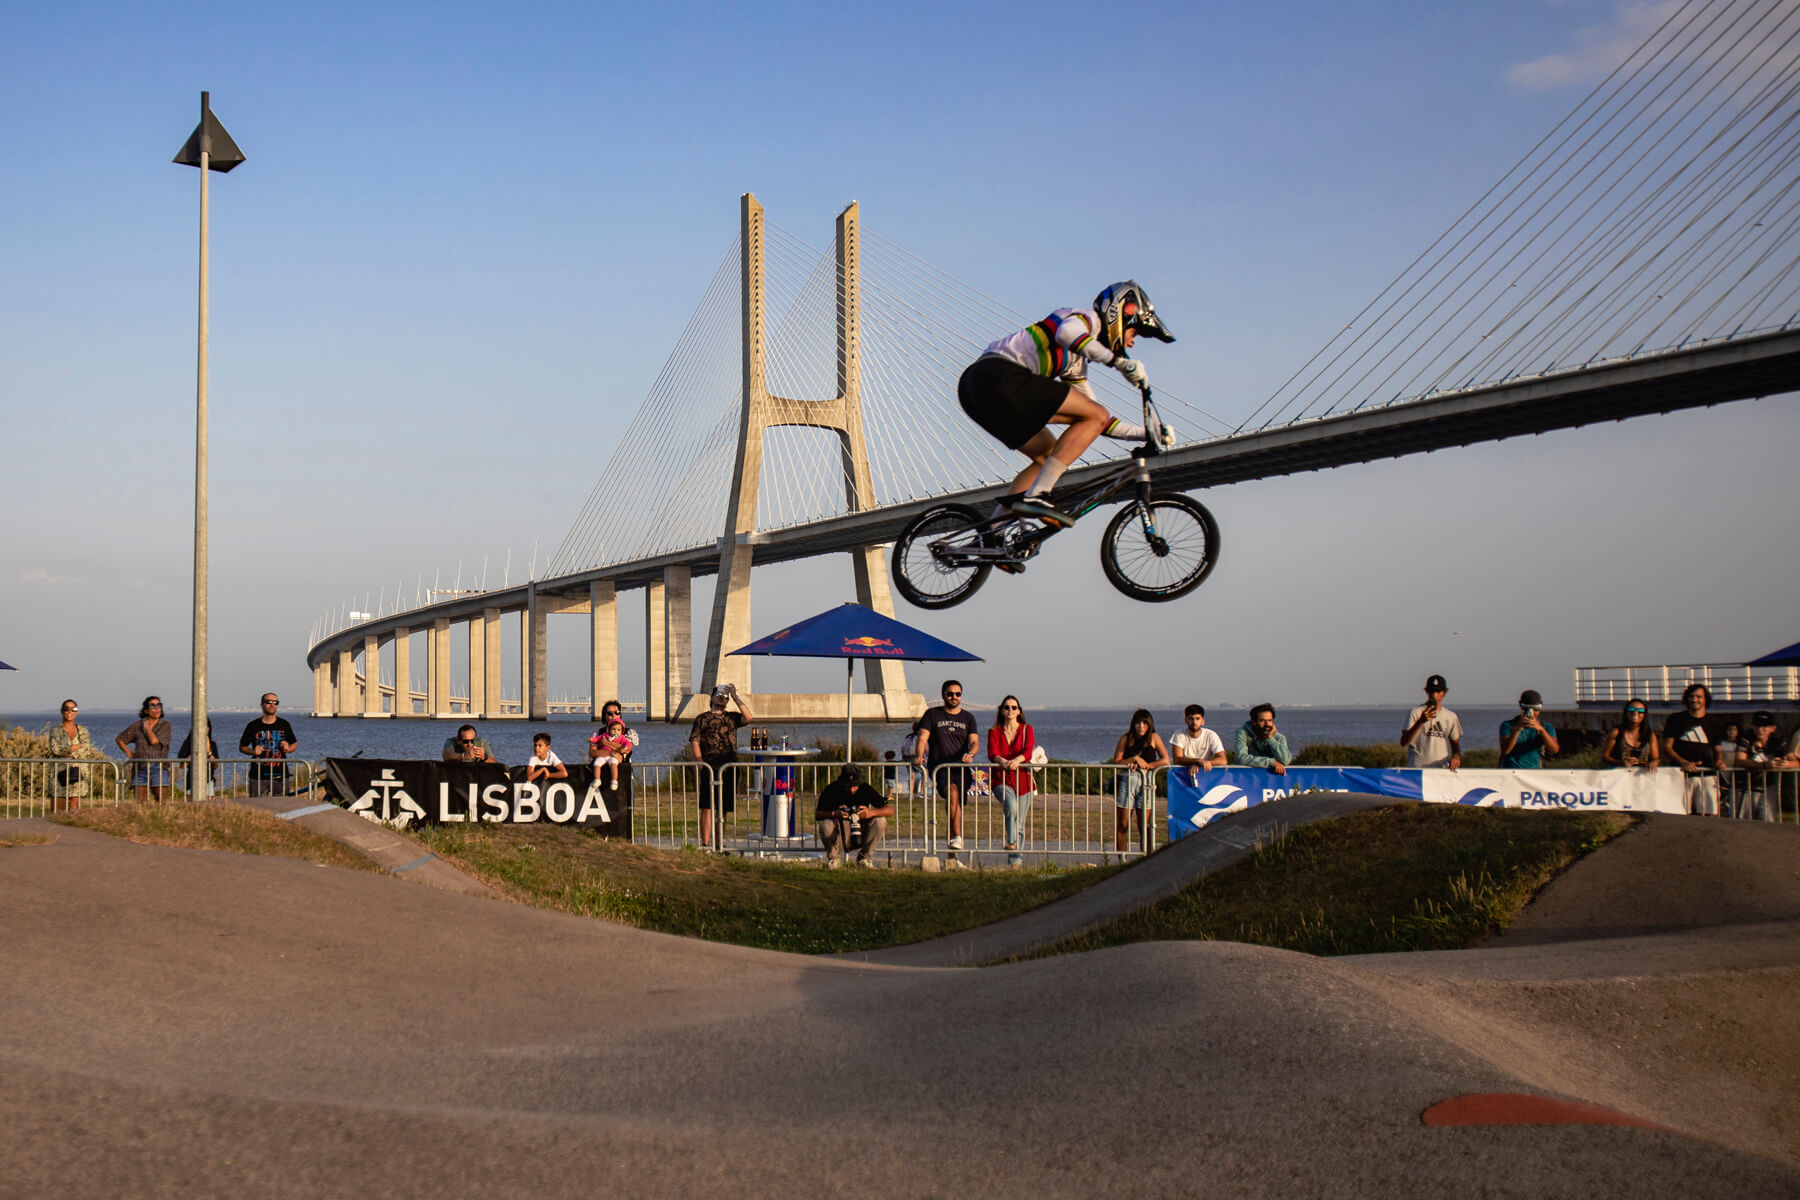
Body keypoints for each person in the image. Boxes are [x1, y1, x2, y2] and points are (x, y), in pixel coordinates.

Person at [958, 281, 1176, 531]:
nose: (1132, 343)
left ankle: (990, 535)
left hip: (977, 392)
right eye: (1134, 333)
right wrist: (1118, 362)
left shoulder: (1074, 364)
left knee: (1048, 456)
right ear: (1120, 315)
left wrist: (1147, 432)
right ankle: (1037, 495)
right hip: (996, 376)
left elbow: (1098, 421)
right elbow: (1066, 334)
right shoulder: (1083, 319)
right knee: (1094, 417)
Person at [912, 680, 979, 866]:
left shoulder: (968, 718)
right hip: (940, 766)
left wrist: (971, 754)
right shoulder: (932, 715)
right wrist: (919, 755)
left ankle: (952, 850)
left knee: (955, 803)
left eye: (957, 694)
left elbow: (974, 742)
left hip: (962, 768)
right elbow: (922, 737)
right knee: (952, 793)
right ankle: (957, 836)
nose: (954, 697)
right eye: (950, 694)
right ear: (943, 695)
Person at [689, 683, 752, 848]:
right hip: (709, 766)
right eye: (719, 695)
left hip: (729, 766)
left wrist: (735, 696)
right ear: (712, 697)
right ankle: (705, 842)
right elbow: (694, 740)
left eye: (725, 697)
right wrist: (699, 760)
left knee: (723, 807)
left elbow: (749, 717)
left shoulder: (731, 718)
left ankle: (719, 844)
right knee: (707, 806)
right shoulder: (702, 718)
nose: (722, 699)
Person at [987, 695, 1036, 867]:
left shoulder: (1026, 729)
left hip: (1023, 779)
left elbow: (1028, 750)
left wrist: (1017, 760)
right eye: (1007, 707)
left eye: (1014, 707)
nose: (1010, 710)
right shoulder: (994, 732)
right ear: (1001, 710)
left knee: (1020, 823)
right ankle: (1011, 840)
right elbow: (992, 753)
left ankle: (1016, 862)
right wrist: (1004, 762)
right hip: (1001, 778)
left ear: (1019, 711)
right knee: (1011, 804)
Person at [1111, 709, 1169, 855]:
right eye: (1138, 723)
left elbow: (1165, 760)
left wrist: (1148, 766)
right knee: (1123, 824)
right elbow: (1117, 761)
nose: (1141, 726)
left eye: (1144, 723)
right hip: (1127, 782)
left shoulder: (1154, 738)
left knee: (1145, 824)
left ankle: (1147, 856)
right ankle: (1121, 859)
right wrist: (1133, 759)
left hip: (1147, 782)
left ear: (1149, 724)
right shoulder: (1126, 738)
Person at [814, 764, 893, 868]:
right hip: (841, 832)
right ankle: (834, 859)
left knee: (880, 821)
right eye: (848, 786)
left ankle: (864, 858)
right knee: (826, 825)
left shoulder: (865, 788)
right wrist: (835, 814)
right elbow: (818, 814)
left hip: (862, 831)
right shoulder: (831, 789)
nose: (851, 789)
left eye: (855, 785)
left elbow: (890, 810)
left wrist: (870, 813)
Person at [1662, 683, 1723, 816]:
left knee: (1709, 814)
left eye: (1698, 697)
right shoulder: (1675, 719)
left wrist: (1719, 762)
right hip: (1682, 775)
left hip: (1706, 775)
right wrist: (1683, 762)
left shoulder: (1715, 722)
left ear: (1705, 699)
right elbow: (1667, 747)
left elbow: (1718, 749)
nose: (1694, 700)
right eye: (1691, 696)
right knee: (1681, 814)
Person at [1732, 711, 1793, 823]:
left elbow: (1794, 761)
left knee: (1768, 821)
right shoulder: (1746, 738)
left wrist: (1787, 764)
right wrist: (1763, 765)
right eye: (1757, 725)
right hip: (1746, 787)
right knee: (1743, 823)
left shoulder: (1778, 741)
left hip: (1767, 787)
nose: (1760, 729)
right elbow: (1739, 760)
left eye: (1765, 726)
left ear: (1772, 728)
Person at [239, 692, 298, 797]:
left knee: (282, 806)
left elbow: (294, 744)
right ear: (262, 705)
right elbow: (242, 747)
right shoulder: (253, 725)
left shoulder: (284, 724)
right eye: (268, 702)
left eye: (275, 702)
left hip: (280, 775)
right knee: (256, 806)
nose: (272, 705)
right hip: (258, 775)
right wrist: (253, 751)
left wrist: (287, 749)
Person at [115, 696, 172, 804]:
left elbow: (154, 741)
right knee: (140, 803)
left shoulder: (165, 725)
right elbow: (120, 739)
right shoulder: (137, 725)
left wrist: (147, 728)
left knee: (161, 802)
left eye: (159, 705)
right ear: (146, 710)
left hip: (158, 767)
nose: (156, 709)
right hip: (140, 768)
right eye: (153, 706)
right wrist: (129, 753)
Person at [1399, 674, 1462, 769]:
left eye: (1438, 691)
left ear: (1444, 692)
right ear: (1426, 692)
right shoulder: (1416, 712)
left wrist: (1456, 757)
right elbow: (1404, 742)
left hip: (1440, 770)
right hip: (1417, 769)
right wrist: (1420, 721)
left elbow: (1455, 745)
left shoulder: (1451, 716)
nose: (1434, 695)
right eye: (1431, 691)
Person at [46, 698, 95, 812]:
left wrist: (68, 752)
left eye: (73, 709)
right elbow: (56, 750)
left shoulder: (82, 730)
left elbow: (86, 750)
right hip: (59, 773)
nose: (69, 712)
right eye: (66, 709)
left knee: (74, 809)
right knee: (57, 810)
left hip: (77, 772)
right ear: (62, 711)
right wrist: (74, 747)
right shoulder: (56, 730)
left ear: (76, 712)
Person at [1498, 690, 1560, 769]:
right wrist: (1517, 730)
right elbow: (1505, 751)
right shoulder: (1507, 725)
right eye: (1527, 709)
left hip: (1534, 771)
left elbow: (1554, 749)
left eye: (1535, 709)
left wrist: (1541, 730)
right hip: (1511, 771)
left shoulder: (1546, 727)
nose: (1532, 713)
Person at [1169, 704, 1227, 784]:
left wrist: (1204, 764)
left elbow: (1223, 760)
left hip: (1205, 777)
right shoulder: (1178, 734)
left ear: (1203, 721)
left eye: (1197, 719)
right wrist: (1198, 761)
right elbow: (1177, 759)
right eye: (1191, 719)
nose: (1194, 722)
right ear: (1186, 720)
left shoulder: (1211, 735)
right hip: (1182, 778)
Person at [1599, 700, 1659, 770]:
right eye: (1631, 709)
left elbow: (1655, 759)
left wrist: (1653, 763)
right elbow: (1604, 758)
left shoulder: (1650, 735)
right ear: (1626, 713)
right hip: (1618, 776)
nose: (1635, 713)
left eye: (1640, 711)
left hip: (1641, 777)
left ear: (1644, 715)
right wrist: (1621, 763)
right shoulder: (1616, 732)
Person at [1234, 704, 1292, 774]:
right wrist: (1271, 762)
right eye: (1262, 721)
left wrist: (1270, 739)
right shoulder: (1243, 733)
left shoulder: (1279, 738)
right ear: (1253, 722)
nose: (1267, 724)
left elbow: (1286, 760)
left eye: (1270, 720)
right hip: (1248, 776)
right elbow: (1241, 759)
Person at [177, 718, 221, 795]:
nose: (205, 729)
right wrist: (195, 750)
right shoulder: (188, 743)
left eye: (207, 727)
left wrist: (208, 751)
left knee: (208, 803)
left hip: (208, 780)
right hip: (192, 781)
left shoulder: (212, 744)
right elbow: (182, 765)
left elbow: (215, 766)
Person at [588, 717, 633, 791]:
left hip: (614, 755)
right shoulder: (605, 735)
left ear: (622, 731)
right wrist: (592, 739)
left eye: (618, 730)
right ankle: (597, 779)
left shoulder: (621, 738)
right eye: (613, 729)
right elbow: (597, 739)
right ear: (609, 729)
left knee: (613, 764)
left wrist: (625, 747)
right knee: (597, 764)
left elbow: (627, 744)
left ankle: (614, 781)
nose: (616, 732)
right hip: (604, 755)